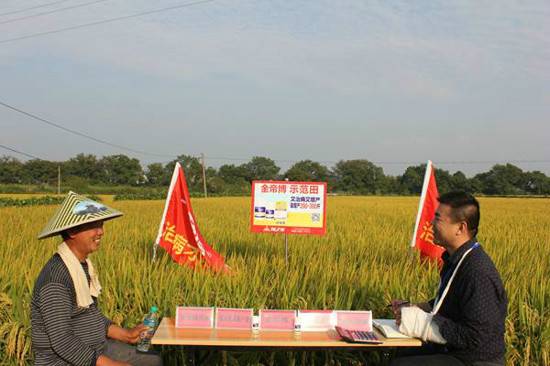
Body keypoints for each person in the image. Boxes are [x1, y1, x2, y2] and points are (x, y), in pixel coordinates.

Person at [31, 191, 162, 366]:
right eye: (93, 226)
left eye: (100, 225)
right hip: (63, 361)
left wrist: (127, 334)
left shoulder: (81, 266)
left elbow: (89, 315)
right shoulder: (56, 280)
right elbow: (62, 341)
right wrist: (111, 364)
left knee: (152, 360)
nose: (101, 232)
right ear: (72, 231)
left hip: (97, 347)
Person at [390, 191, 507, 366]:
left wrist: (422, 322)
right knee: (402, 353)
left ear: (460, 228)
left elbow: (476, 337)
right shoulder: (456, 259)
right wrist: (415, 307)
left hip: (476, 359)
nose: (430, 223)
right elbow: (449, 302)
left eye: (438, 219)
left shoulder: (477, 272)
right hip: (455, 350)